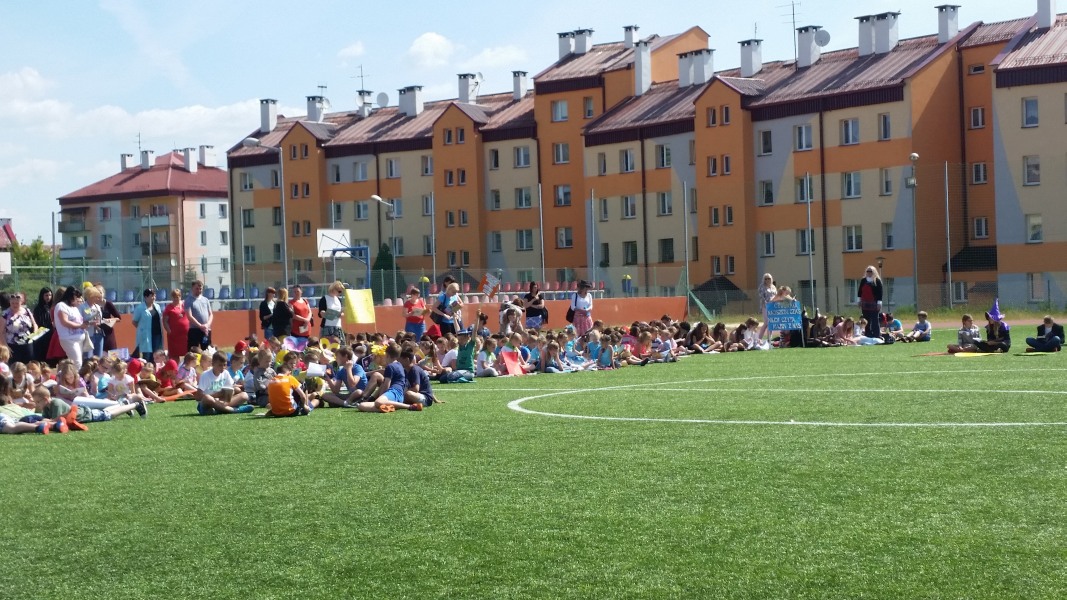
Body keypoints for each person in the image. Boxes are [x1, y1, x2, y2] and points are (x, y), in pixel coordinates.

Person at [355, 343, 422, 412]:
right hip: (399, 395)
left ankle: (410, 406)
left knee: (378, 402)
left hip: (393, 392)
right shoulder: (399, 365)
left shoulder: (390, 366)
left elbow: (386, 385)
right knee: (362, 406)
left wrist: (380, 397)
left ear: (387, 355)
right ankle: (389, 407)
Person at [54, 286, 89, 370]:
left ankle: (68, 374)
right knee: (77, 362)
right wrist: (80, 326)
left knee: (77, 362)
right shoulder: (61, 306)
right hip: (69, 339)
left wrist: (87, 323)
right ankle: (73, 376)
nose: (78, 299)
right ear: (71, 296)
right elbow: (65, 322)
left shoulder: (74, 307)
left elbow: (79, 320)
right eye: (77, 297)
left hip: (79, 338)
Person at [1, 291, 38, 364]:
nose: (14, 305)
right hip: (12, 345)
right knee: (15, 366)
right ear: (10, 302)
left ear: (21, 302)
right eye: (12, 303)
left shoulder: (27, 311)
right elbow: (1, 332)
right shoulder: (5, 314)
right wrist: (6, 346)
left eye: (17, 303)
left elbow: (35, 324)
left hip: (27, 343)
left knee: (29, 365)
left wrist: (35, 333)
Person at [131, 289, 163, 360]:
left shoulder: (157, 307)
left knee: (156, 355)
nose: (154, 298)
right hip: (146, 337)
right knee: (147, 356)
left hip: (157, 335)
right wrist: (142, 330)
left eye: (155, 296)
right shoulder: (140, 308)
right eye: (152, 296)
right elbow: (134, 321)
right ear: (146, 297)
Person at [184, 280, 213, 351]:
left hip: (206, 330)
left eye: (200, 289)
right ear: (192, 288)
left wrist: (207, 325)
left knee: (207, 350)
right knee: (193, 351)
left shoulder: (206, 300)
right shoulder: (188, 300)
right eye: (197, 288)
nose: (199, 290)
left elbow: (211, 314)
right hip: (194, 330)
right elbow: (189, 316)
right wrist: (200, 326)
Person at [856, 266, 884, 338]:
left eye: (870, 271)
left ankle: (876, 335)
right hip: (864, 303)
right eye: (867, 271)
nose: (869, 273)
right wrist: (859, 301)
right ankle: (868, 334)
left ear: (874, 272)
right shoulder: (863, 280)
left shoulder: (877, 281)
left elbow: (880, 293)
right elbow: (860, 291)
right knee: (866, 319)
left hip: (874, 303)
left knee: (875, 319)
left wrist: (879, 303)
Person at [163, 289, 189, 361]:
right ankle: (175, 367)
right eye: (174, 297)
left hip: (185, 336)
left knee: (187, 354)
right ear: (172, 297)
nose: (176, 299)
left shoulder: (185, 305)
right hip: (174, 336)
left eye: (177, 297)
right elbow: (165, 321)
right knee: (174, 355)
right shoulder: (169, 307)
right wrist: (169, 331)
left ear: (180, 296)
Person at [81, 284, 106, 358]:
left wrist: (104, 321)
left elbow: (99, 319)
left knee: (98, 357)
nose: (98, 299)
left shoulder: (97, 307)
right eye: (96, 297)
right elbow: (79, 321)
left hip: (98, 334)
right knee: (87, 357)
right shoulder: (82, 307)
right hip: (88, 335)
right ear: (91, 296)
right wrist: (90, 323)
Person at [31, 287, 54, 363]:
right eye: (46, 295)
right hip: (42, 335)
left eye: (50, 295)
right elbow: (40, 323)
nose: (48, 297)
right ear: (42, 296)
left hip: (51, 334)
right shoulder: (38, 309)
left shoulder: (52, 307)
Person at [757, 273, 777, 341]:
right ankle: (759, 338)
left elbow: (776, 295)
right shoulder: (762, 286)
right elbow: (761, 297)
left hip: (773, 306)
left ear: (771, 279)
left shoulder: (773, 287)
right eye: (766, 279)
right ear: (764, 279)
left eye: (769, 278)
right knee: (766, 322)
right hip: (765, 306)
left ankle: (769, 339)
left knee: (771, 323)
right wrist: (766, 303)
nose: (767, 280)